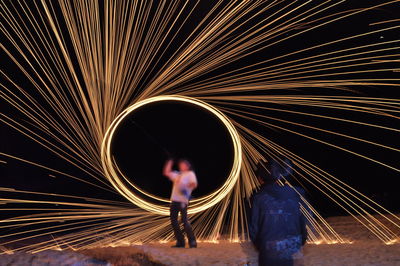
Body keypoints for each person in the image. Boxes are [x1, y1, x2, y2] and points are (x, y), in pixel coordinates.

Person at [249, 159, 307, 266]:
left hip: (269, 251)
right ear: (278, 177)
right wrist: (299, 243)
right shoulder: (294, 194)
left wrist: (261, 246)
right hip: (292, 247)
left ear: (260, 179)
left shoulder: (258, 198)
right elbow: (302, 223)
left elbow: (253, 229)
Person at [163, 158, 198, 248]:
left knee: (184, 221)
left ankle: (192, 241)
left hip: (183, 201)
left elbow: (194, 184)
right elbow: (166, 172)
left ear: (187, 166)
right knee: (174, 221)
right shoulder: (177, 174)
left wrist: (185, 186)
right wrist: (170, 162)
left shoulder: (190, 174)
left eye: (183, 164)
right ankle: (180, 242)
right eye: (180, 165)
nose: (181, 166)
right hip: (174, 201)